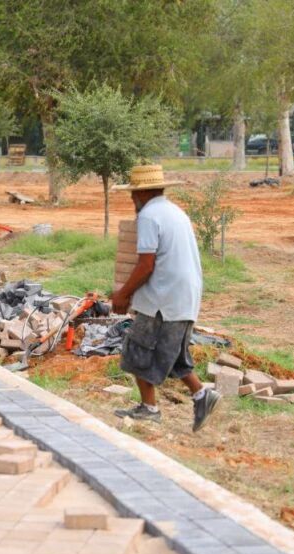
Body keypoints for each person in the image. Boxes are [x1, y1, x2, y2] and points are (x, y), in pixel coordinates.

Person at [109, 165, 220, 432]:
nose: (132, 200)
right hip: (183, 296)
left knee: (136, 349)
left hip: (164, 299)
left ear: (141, 194)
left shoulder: (148, 215)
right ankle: (202, 395)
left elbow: (146, 264)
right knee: (172, 354)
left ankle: (149, 409)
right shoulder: (174, 211)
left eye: (133, 195)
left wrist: (123, 294)